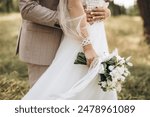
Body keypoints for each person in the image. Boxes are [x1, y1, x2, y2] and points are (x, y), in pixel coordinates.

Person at [22, 0, 118, 100]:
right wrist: (70, 19)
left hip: (93, 37)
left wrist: (106, 11)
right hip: (46, 41)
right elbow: (28, 8)